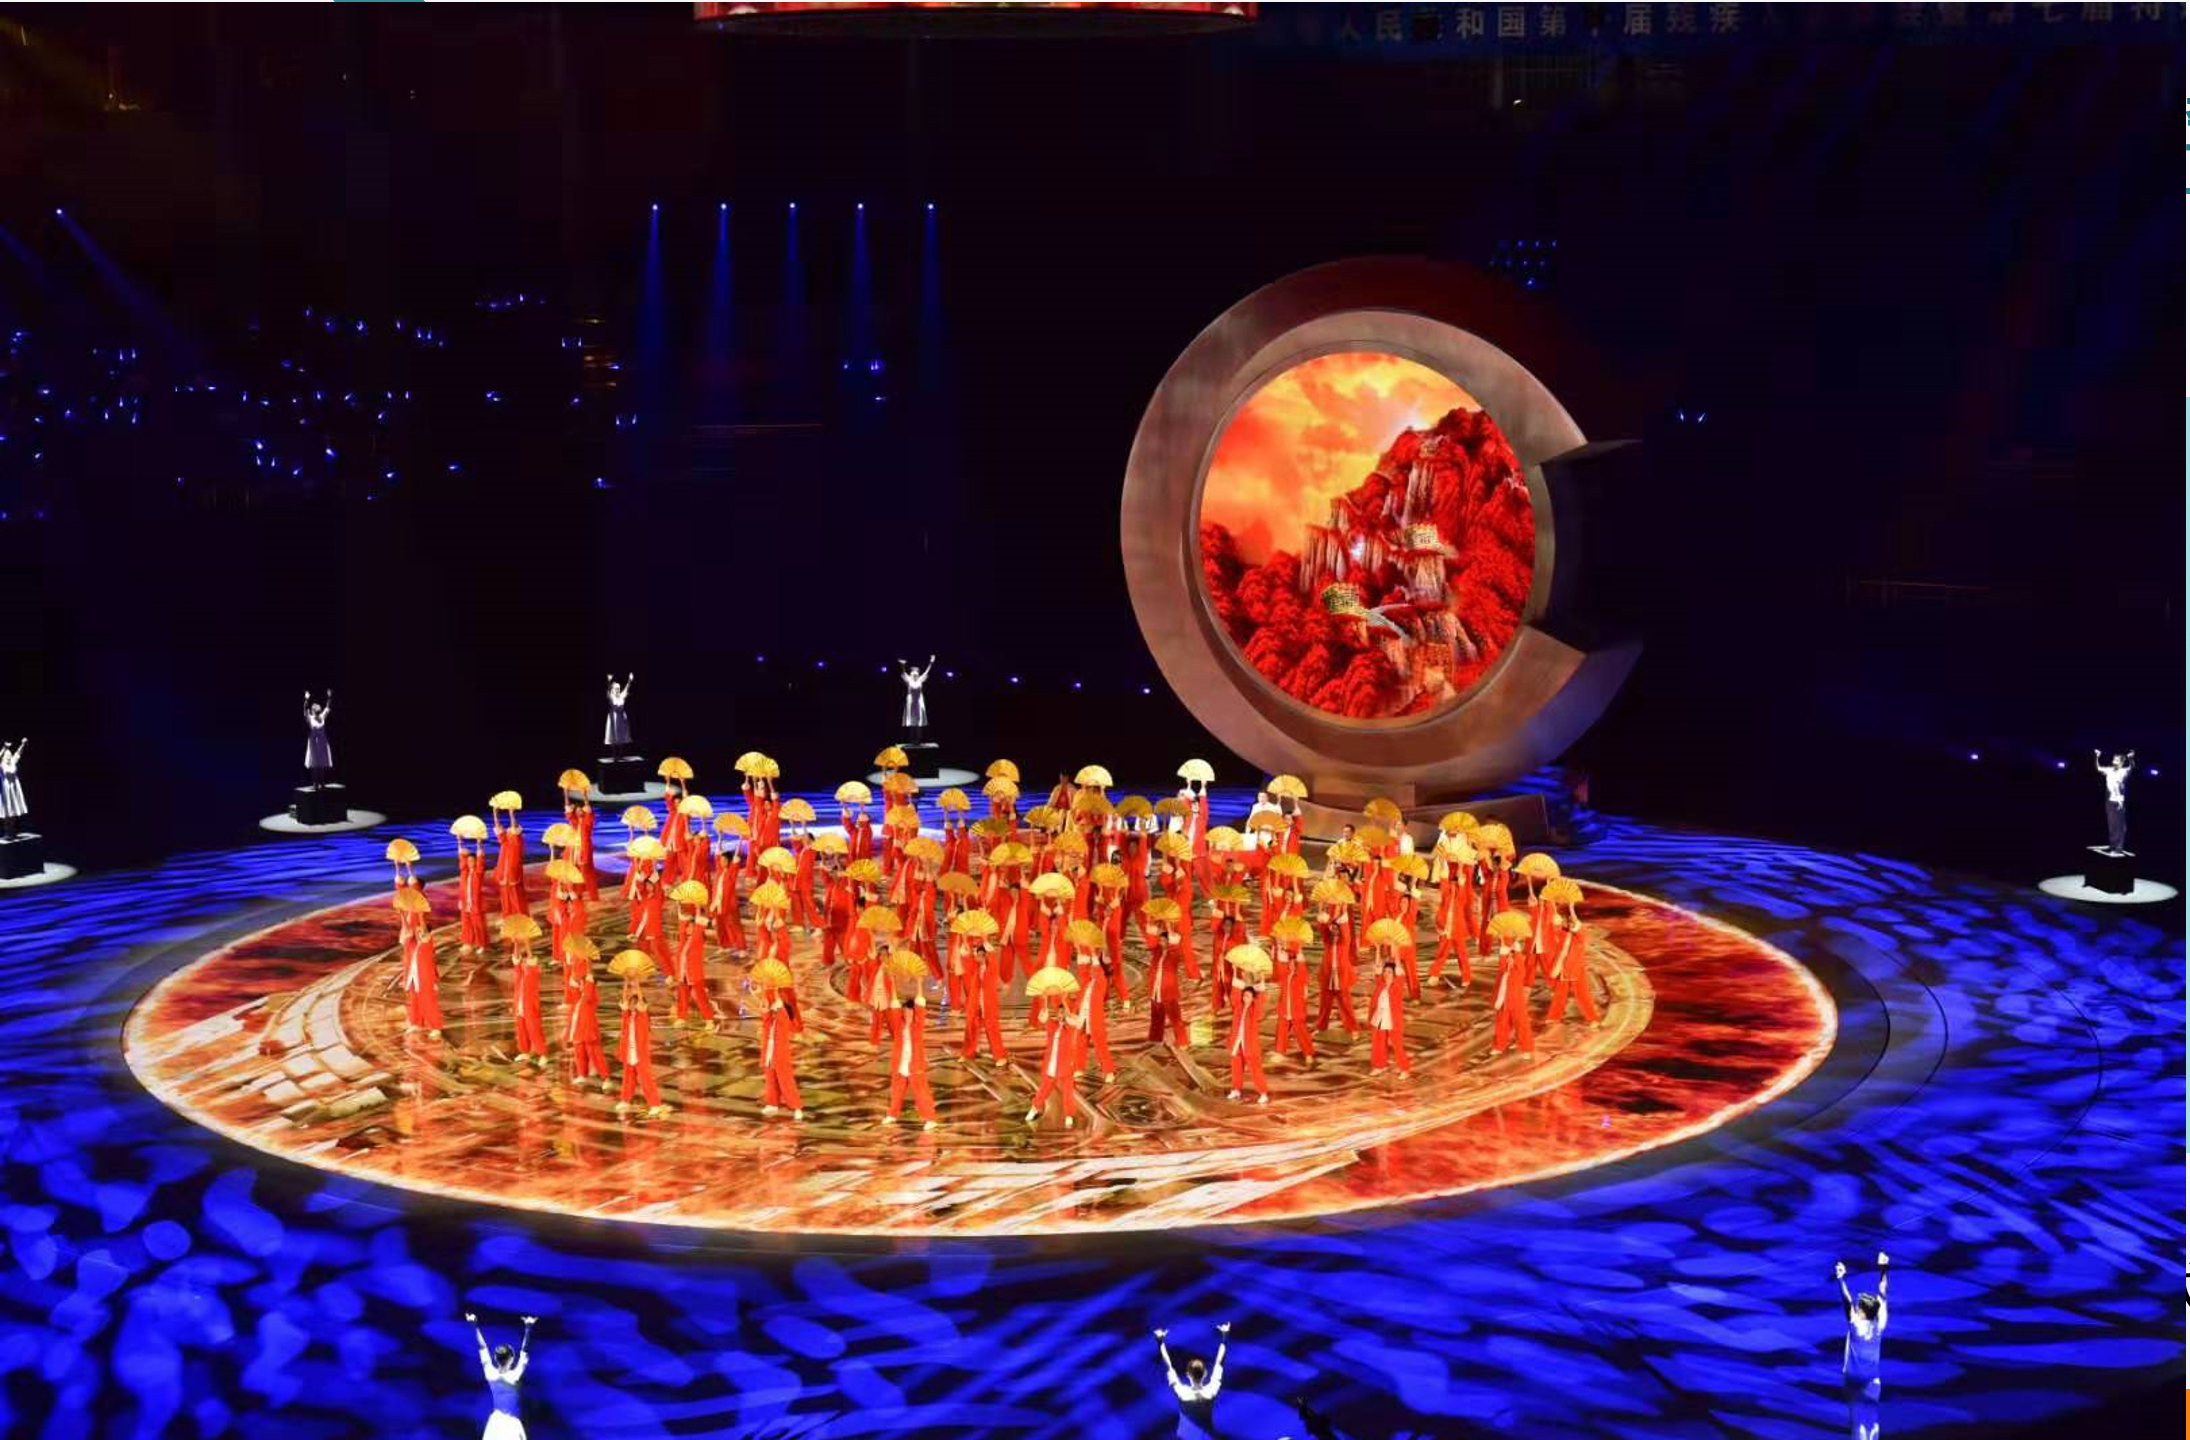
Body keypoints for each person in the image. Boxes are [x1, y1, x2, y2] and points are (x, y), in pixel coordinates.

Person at [1837, 1251, 1891, 1440]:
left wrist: (1841, 1279)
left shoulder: (1856, 1326)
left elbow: (1846, 1301)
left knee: (1857, 1423)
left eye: (1858, 1306)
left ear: (1862, 1312)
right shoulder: (1879, 1325)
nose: (1856, 1307)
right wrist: (1884, 1268)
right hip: (1872, 1381)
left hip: (1853, 1381)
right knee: (1872, 1421)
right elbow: (1883, 1292)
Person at [1153, 1320, 1230, 1440]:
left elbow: (1169, 1366)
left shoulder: (1182, 1393)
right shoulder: (1211, 1391)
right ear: (1205, 1373)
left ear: (1188, 1375)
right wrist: (1225, 1338)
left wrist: (1160, 1343)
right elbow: (1219, 1362)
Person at [465, 1311, 536, 1440]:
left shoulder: (491, 1374)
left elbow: (483, 1348)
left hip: (496, 1423)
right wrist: (528, 1329)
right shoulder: (514, 1376)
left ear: (496, 1359)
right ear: (511, 1359)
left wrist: (474, 1326)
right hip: (511, 1425)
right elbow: (524, 1351)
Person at [2093, 749, 2136, 855]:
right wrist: (2097, 757)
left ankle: (2118, 848)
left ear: (2121, 762)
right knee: (2111, 824)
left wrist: (2131, 758)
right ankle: (2113, 845)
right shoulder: (2109, 770)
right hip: (2109, 801)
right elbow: (2098, 768)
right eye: (2114, 759)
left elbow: (2132, 767)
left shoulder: (2124, 771)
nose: (2113, 761)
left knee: (2119, 825)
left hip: (2119, 801)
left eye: (2116, 760)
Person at [898, 655, 937, 741]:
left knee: (919, 720)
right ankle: (912, 739)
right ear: (911, 675)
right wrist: (902, 665)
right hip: (911, 702)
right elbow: (904, 672)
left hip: (919, 702)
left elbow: (927, 671)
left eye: (916, 674)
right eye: (913, 674)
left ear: (918, 675)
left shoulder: (920, 680)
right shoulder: (909, 680)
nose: (915, 675)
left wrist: (931, 662)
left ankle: (918, 740)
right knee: (912, 720)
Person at [301, 691, 334, 787]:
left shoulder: (322, 717)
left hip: (322, 742)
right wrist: (306, 699)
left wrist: (329, 697)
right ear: (312, 712)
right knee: (315, 763)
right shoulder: (310, 718)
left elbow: (327, 707)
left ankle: (322, 782)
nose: (318, 713)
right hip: (314, 742)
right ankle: (315, 782)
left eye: (319, 712)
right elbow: (305, 710)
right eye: (316, 712)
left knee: (322, 762)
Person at [0, 737, 26, 839]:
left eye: (9, 755)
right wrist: (4, 748)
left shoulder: (13, 763)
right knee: (6, 810)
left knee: (14, 809)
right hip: (5, 789)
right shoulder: (1, 765)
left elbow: (19, 753)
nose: (8, 757)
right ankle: (7, 831)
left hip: (14, 789)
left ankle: (12, 831)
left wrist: (23, 744)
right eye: (6, 755)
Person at [603, 673, 635, 755]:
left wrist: (630, 680)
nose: (618, 690)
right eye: (616, 688)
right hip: (613, 718)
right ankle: (614, 755)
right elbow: (608, 689)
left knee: (621, 736)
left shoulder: (621, 696)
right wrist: (608, 681)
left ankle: (620, 754)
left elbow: (627, 688)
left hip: (621, 718)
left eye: (619, 688)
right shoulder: (611, 697)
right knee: (613, 736)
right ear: (613, 689)